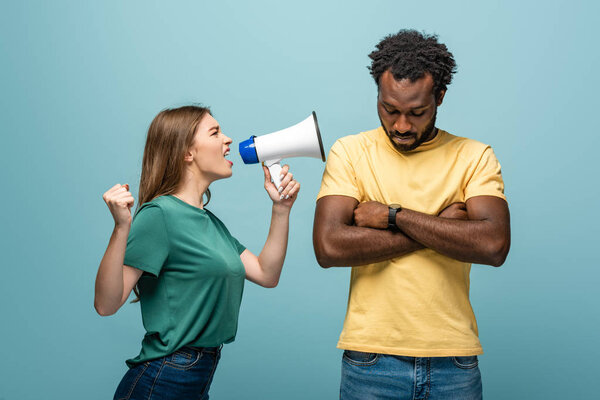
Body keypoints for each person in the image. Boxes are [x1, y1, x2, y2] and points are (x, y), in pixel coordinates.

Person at [313, 30, 510, 399]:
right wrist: (443, 226)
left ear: (440, 98)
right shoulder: (350, 152)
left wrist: (393, 216)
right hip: (371, 359)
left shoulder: (474, 156)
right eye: (390, 109)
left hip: (454, 360)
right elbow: (328, 247)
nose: (401, 126)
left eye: (417, 113)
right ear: (378, 95)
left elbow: (494, 245)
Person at [94, 105, 300, 400]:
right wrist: (120, 228)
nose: (228, 140)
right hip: (163, 379)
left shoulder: (211, 223)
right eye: (215, 132)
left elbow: (266, 274)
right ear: (186, 152)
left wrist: (281, 209)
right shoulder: (159, 214)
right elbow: (106, 304)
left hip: (196, 379)